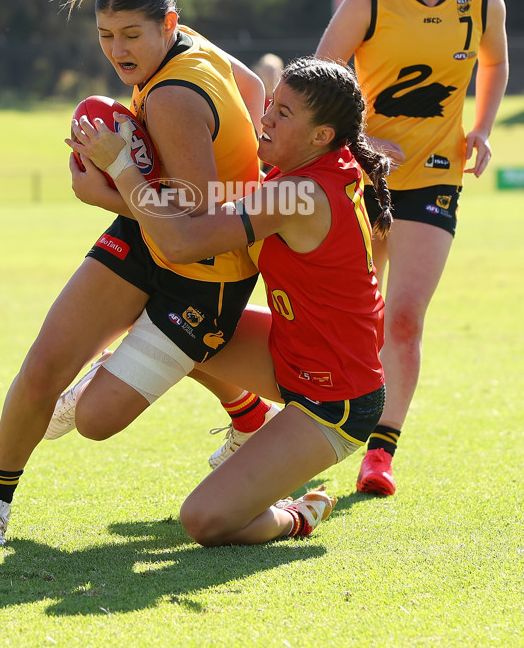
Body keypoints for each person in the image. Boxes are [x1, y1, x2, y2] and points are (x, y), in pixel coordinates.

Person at [0, 0, 279, 546]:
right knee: (45, 363)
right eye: (106, 36)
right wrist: (245, 160)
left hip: (206, 272)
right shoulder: (191, 45)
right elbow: (255, 86)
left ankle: (229, 404)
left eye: (132, 34)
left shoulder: (172, 97)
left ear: (168, 24)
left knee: (93, 420)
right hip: (147, 229)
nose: (118, 50)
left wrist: (101, 187)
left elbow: (195, 219)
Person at [66, 56, 392, 545]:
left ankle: (300, 515)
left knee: (203, 521)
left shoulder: (299, 193)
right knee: (183, 327)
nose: (266, 117)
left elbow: (181, 242)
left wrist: (119, 167)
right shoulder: (304, 169)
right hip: (290, 352)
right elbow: (200, 219)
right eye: (272, 103)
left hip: (337, 398)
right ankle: (249, 418)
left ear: (321, 135)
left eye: (283, 113)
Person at [316, 0, 509, 496]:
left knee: (403, 317)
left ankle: (381, 450)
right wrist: (363, 137)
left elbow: (495, 62)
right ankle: (310, 427)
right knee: (356, 317)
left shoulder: (483, 3)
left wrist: (481, 128)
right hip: (362, 178)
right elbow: (322, 77)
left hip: (434, 178)